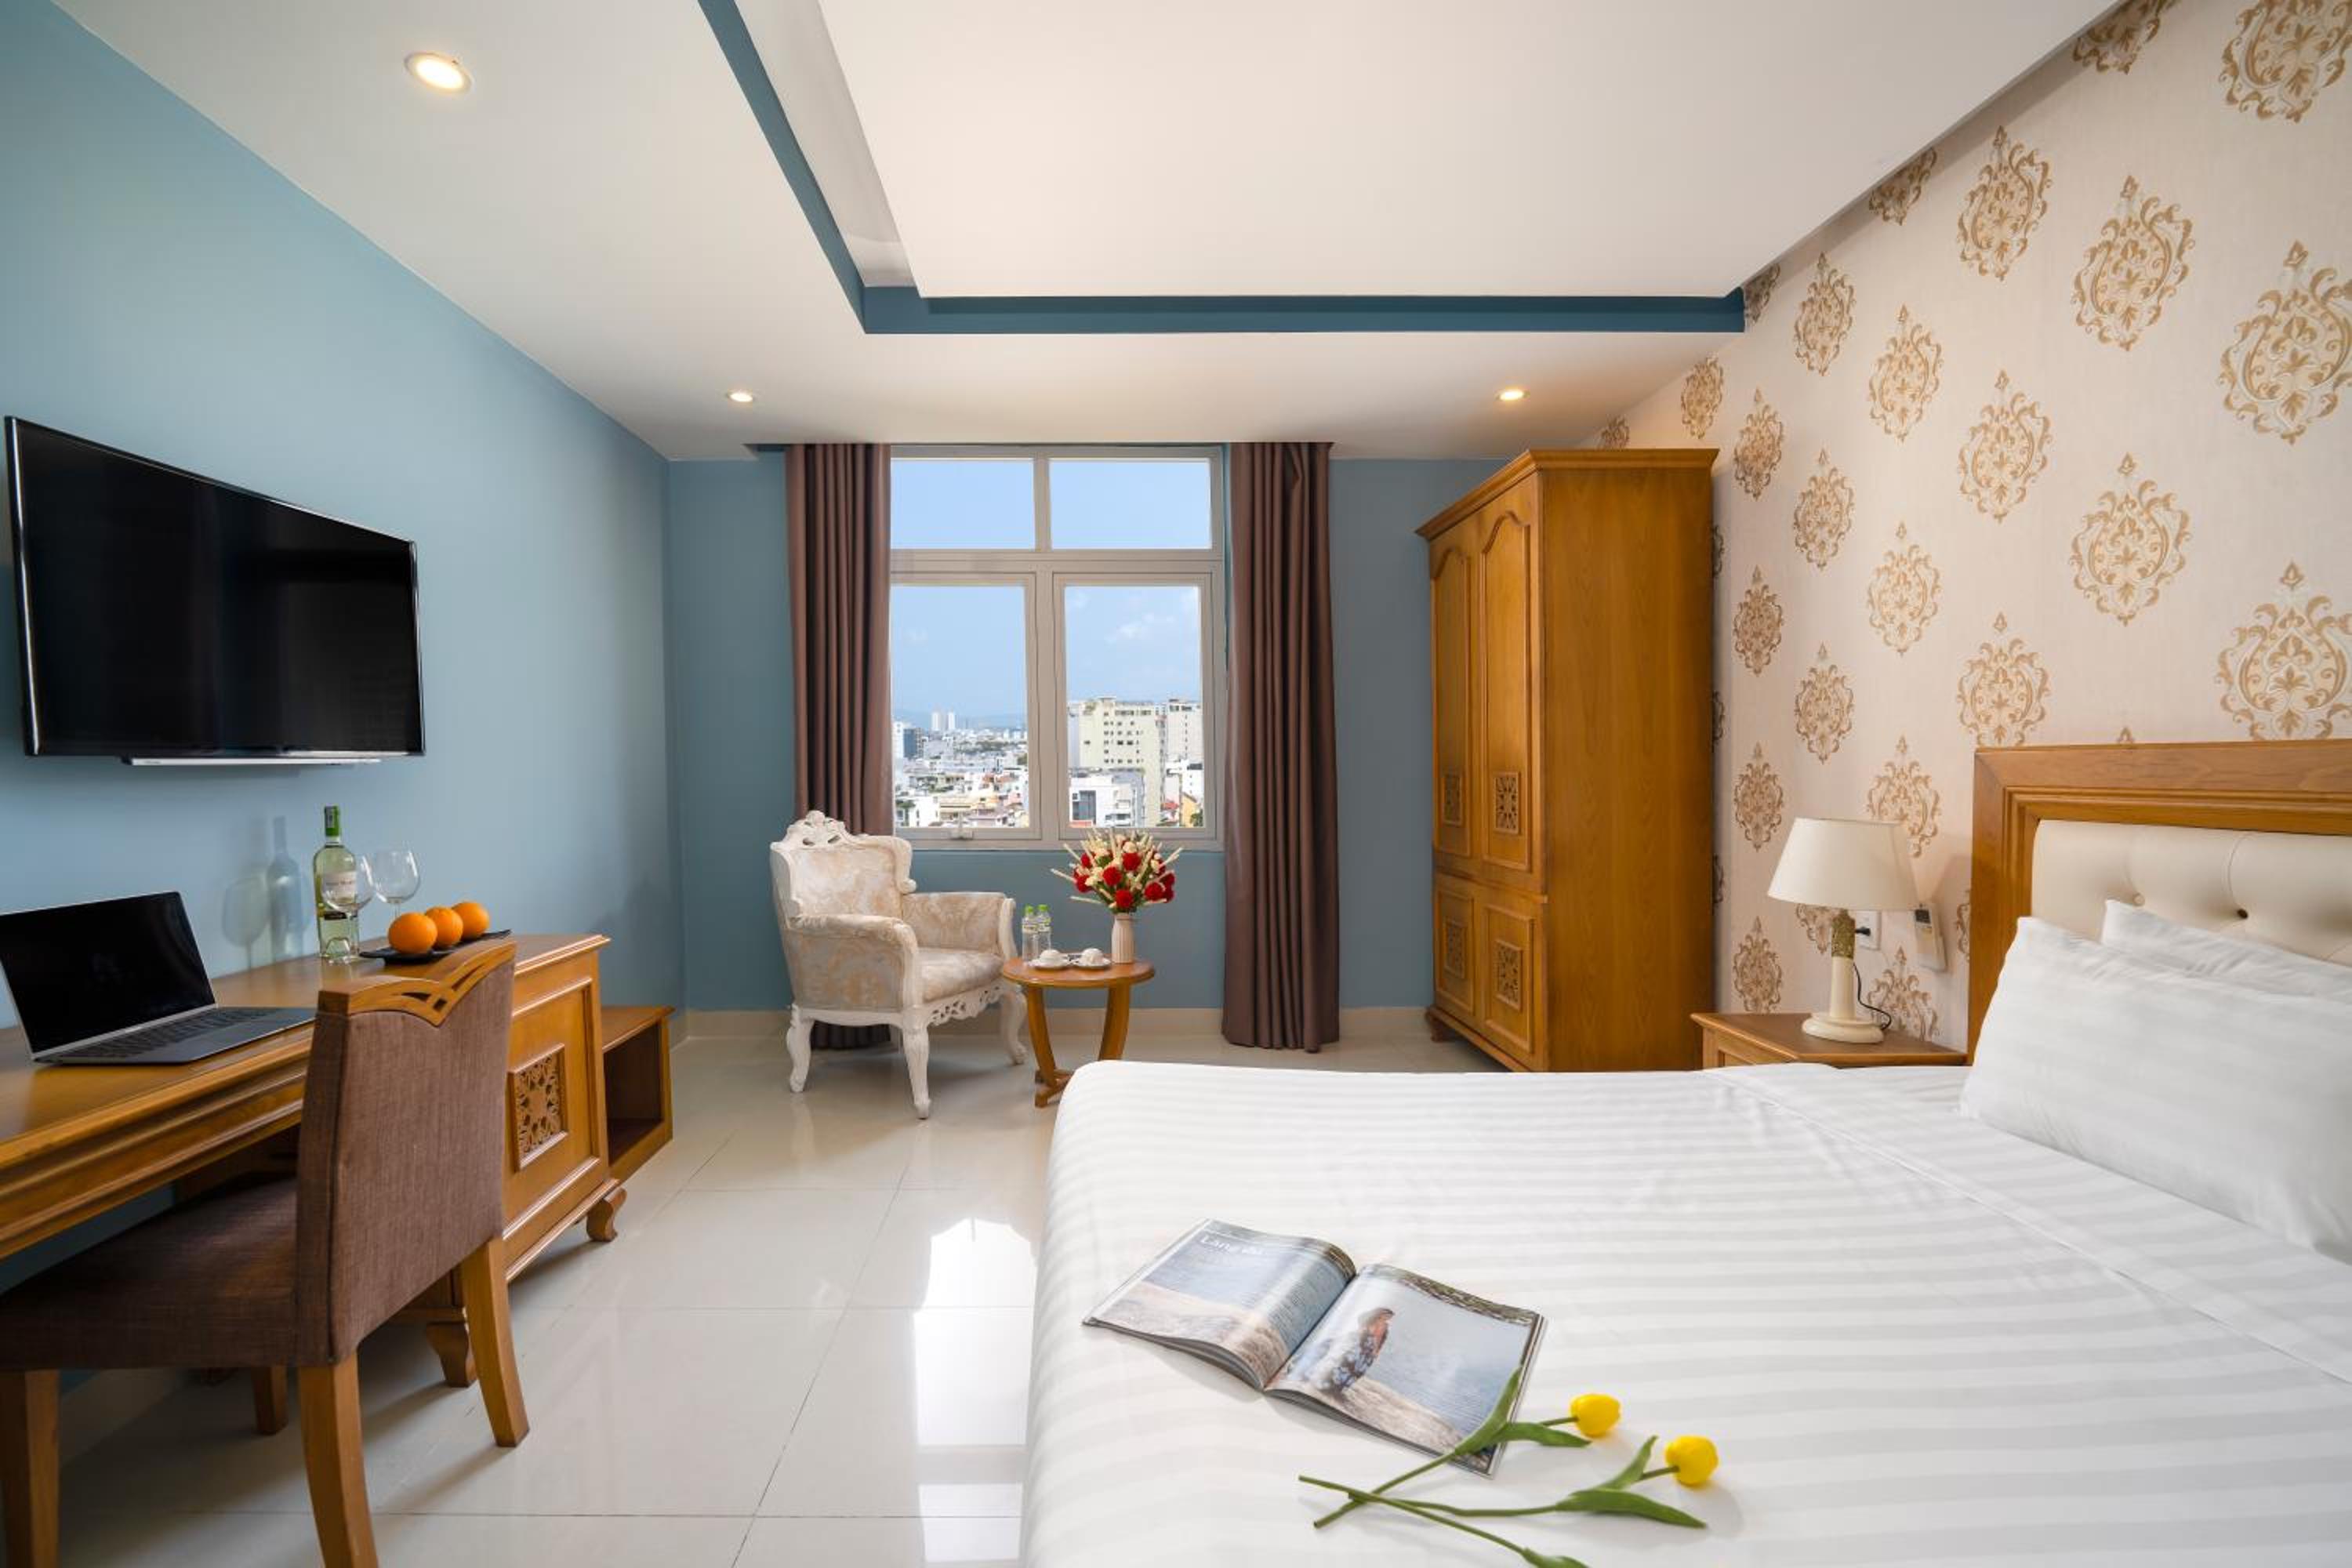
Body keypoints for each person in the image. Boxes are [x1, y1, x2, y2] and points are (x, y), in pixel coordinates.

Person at [1316, 1306, 1395, 1396]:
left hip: (1363, 1342)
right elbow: (1377, 1338)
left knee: (1350, 1363)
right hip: (1366, 1344)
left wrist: (1364, 1331)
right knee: (1353, 1365)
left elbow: (1374, 1335)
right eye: (1388, 1316)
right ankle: (1334, 1384)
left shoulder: (1373, 1321)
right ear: (1382, 1314)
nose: (1389, 1319)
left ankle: (1332, 1382)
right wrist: (1375, 1351)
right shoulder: (1380, 1323)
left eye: (1390, 1317)